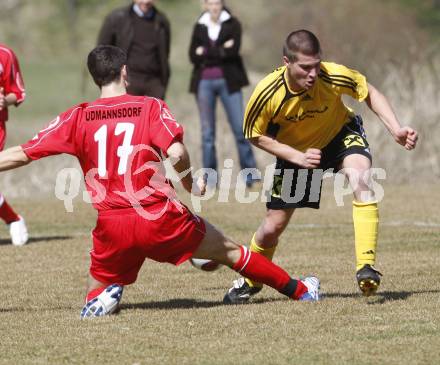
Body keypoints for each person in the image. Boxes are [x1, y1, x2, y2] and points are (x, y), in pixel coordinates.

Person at [0, 45, 320, 318]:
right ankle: (302, 290)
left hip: (113, 224)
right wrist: (190, 183)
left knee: (94, 289)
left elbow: (22, 154)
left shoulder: (77, 116)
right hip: (158, 215)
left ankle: (102, 298)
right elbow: (177, 151)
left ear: (95, 77)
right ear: (124, 72)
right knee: (230, 252)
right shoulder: (149, 107)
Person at [223, 29, 418, 303]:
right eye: (304, 68)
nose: (313, 74)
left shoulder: (332, 74)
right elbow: (254, 135)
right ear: (286, 63)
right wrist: (296, 157)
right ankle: (251, 278)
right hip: (298, 153)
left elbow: (368, 91)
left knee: (361, 179)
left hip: (339, 135)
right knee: (273, 225)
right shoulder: (267, 93)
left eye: (316, 65)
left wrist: (395, 128)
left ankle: (366, 267)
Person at [189, 0, 258, 186]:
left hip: (230, 82)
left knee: (240, 129)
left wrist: (206, 51)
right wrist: (221, 49)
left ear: (222, 4)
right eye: (210, 3)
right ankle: (211, 181)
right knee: (207, 134)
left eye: (217, 3)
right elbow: (192, 56)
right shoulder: (199, 25)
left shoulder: (233, 24)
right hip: (204, 83)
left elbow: (233, 52)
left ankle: (251, 176)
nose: (214, 7)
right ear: (205, 5)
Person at [97, 0, 170, 99]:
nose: (145, 1)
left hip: (154, 83)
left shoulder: (162, 21)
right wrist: (110, 81)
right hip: (127, 81)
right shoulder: (117, 18)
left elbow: (165, 54)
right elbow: (102, 52)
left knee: (153, 114)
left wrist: (162, 84)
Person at [0, 43, 28, 246]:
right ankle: (12, 218)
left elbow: (17, 92)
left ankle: (13, 219)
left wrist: (4, 101)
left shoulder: (5, 54)